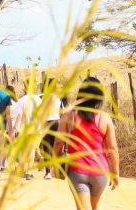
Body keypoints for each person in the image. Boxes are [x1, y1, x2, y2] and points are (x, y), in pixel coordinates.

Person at [53, 77, 119, 210]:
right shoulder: (105, 119)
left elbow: (59, 142)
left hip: (78, 171)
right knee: (94, 207)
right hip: (100, 172)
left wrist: (54, 162)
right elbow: (112, 148)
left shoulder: (68, 116)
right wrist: (116, 173)